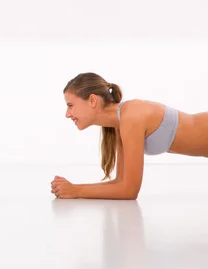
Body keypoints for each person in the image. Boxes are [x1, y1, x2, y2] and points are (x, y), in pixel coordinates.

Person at [51, 72, 208, 200]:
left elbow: (129, 191)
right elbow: (121, 183)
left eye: (70, 105)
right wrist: (74, 188)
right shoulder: (121, 125)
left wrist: (76, 191)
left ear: (92, 100)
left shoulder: (131, 117)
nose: (67, 114)